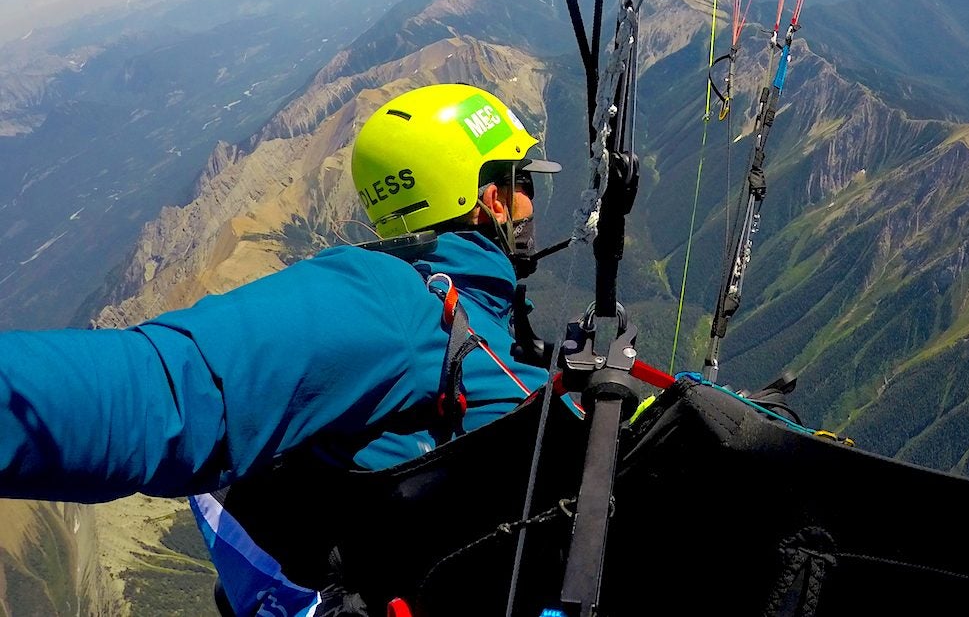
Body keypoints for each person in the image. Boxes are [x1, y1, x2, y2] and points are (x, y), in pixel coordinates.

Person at [0, 82, 561, 616]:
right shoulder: (386, 301)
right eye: (526, 184)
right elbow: (168, 389)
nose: (532, 203)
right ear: (493, 200)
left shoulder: (477, 306)